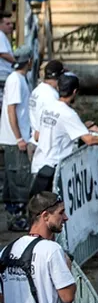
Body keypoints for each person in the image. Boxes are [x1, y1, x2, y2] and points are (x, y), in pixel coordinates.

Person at [31, 73, 98, 196]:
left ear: (59, 89)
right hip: (54, 170)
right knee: (55, 209)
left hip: (39, 165)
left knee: (39, 209)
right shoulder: (68, 113)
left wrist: (82, 127)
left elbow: (41, 134)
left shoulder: (47, 108)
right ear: (75, 92)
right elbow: (90, 140)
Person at [1, 48, 33, 226]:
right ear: (28, 61)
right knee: (18, 177)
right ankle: (17, 217)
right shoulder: (15, 80)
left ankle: (15, 214)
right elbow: (11, 109)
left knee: (14, 176)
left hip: (16, 137)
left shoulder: (20, 79)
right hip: (14, 139)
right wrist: (19, 137)